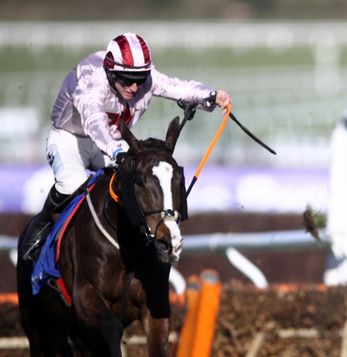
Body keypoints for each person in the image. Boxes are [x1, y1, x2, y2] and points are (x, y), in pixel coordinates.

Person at [22, 32, 231, 258]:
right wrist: (115, 149)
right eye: (126, 79)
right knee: (73, 184)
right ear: (111, 72)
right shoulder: (91, 78)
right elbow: (94, 123)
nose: (134, 87)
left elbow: (177, 87)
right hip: (69, 138)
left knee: (138, 180)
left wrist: (210, 96)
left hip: (113, 142)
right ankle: (42, 224)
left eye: (140, 79)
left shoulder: (143, 78)